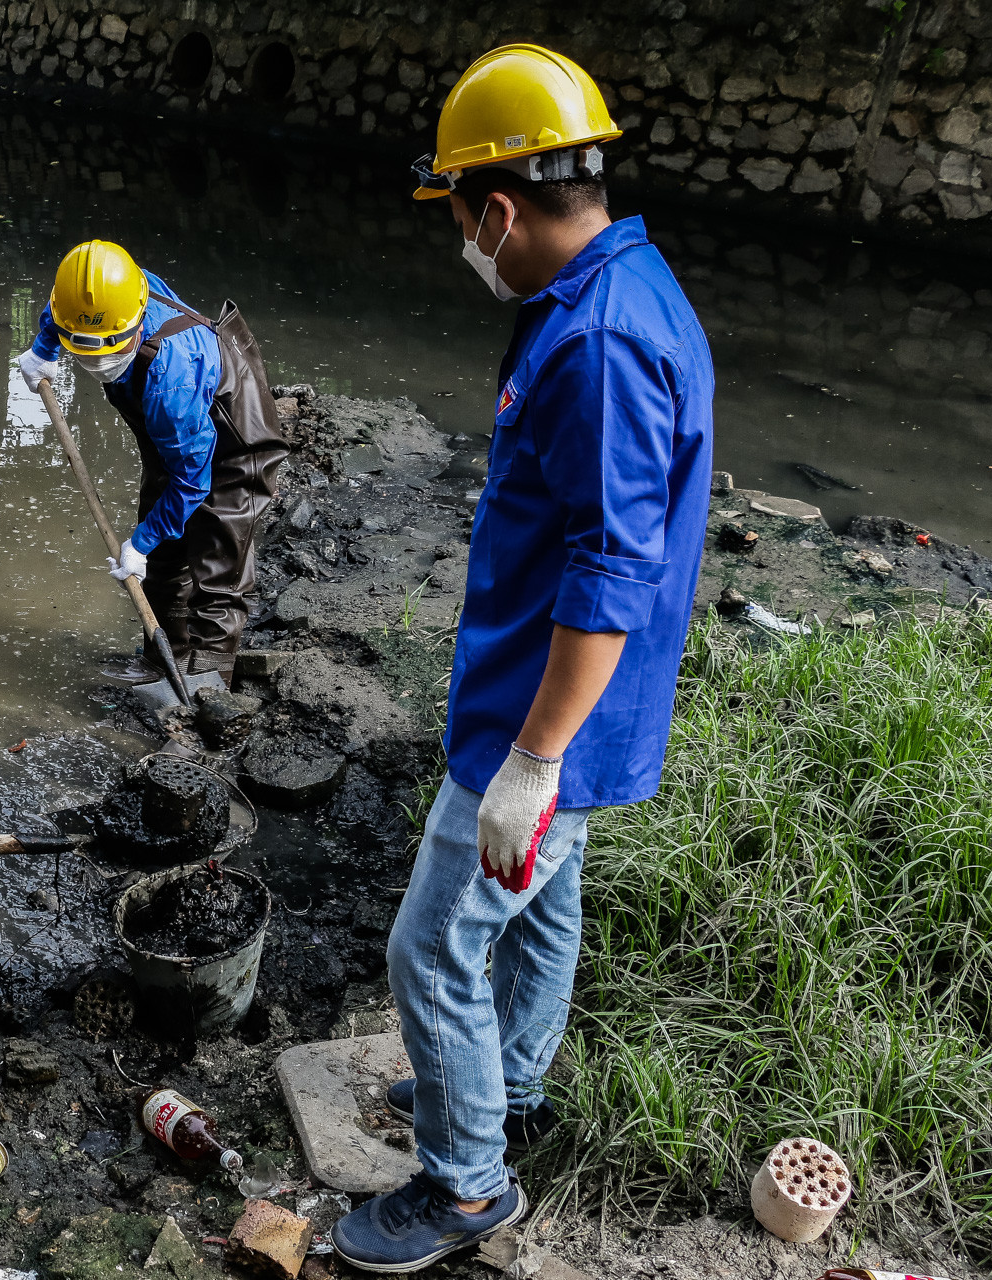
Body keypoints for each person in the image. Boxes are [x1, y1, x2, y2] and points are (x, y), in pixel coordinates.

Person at [330, 44, 715, 1272]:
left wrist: (530, 760)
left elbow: (610, 575)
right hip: (585, 707)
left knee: (431, 943)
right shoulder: (623, 286)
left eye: (461, 219)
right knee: (541, 909)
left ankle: (463, 1183)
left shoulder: (597, 341)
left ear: (498, 208)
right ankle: (512, 1089)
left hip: (541, 711)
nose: (466, 246)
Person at [15, 240, 287, 687]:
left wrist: (138, 543)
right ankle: (162, 661)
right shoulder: (102, 292)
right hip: (174, 435)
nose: (97, 364)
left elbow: (192, 483)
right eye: (83, 352)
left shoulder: (170, 386)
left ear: (137, 323)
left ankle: (209, 680)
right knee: (164, 556)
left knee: (218, 554)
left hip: (234, 428)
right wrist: (44, 348)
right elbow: (59, 309)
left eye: (108, 352)